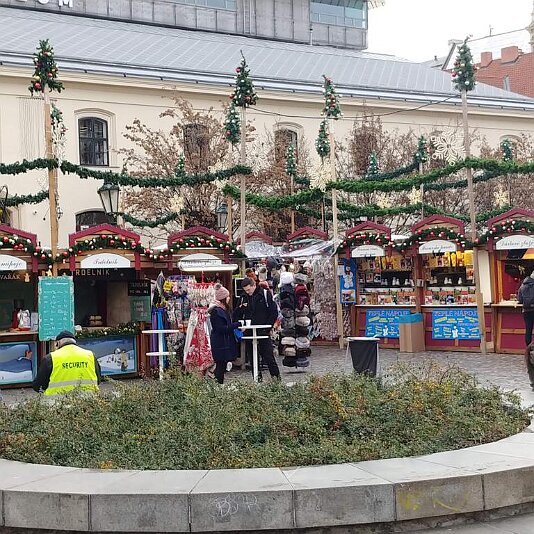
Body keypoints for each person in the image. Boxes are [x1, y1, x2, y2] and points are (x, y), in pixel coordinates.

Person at [233, 276, 280, 381]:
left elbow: (273, 312)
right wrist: (241, 325)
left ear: (254, 285)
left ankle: (276, 380)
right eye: (245, 290)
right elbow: (236, 314)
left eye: (249, 290)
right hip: (249, 331)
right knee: (253, 358)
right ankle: (257, 380)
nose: (248, 292)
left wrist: (267, 327)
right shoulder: (243, 297)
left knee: (268, 356)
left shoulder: (264, 294)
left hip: (263, 330)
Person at [32, 330, 101, 396]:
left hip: (57, 402)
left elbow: (38, 385)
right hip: (89, 400)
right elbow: (98, 379)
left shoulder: (50, 358)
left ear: (57, 343)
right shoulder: (90, 355)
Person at [208, 284, 240, 384]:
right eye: (227, 296)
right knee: (220, 365)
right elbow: (221, 328)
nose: (229, 298)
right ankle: (218, 385)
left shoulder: (221, 310)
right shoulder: (216, 311)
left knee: (221, 365)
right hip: (220, 342)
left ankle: (219, 385)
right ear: (223, 298)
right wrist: (237, 325)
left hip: (223, 341)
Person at [518, 271, 534, 347]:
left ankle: (528, 348)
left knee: (528, 330)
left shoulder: (522, 286)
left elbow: (520, 300)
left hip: (526, 310)